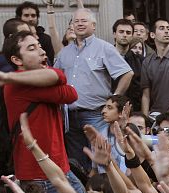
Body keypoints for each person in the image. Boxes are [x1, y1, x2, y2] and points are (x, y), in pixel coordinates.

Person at [0, 30, 85, 193]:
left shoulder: (17, 80)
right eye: (32, 48)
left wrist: (8, 77)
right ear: (17, 60)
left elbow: (67, 89)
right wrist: (10, 78)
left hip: (62, 168)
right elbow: (63, 84)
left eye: (40, 46)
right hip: (38, 177)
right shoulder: (17, 84)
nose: (42, 51)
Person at [53, 9, 133, 171]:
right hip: (70, 118)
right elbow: (55, 79)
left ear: (93, 25)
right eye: (76, 21)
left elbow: (127, 73)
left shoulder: (104, 48)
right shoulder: (64, 52)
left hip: (96, 116)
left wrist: (114, 99)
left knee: (103, 164)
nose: (80, 24)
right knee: (76, 165)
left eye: (84, 21)